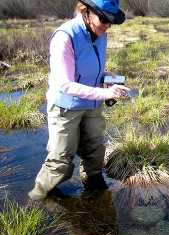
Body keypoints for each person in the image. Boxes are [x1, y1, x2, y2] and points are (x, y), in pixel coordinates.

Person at [29, 0, 130, 201]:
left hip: (92, 104)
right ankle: (36, 198)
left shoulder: (101, 33)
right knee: (61, 159)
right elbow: (66, 84)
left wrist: (105, 77)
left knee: (94, 148)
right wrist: (106, 94)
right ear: (87, 12)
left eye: (112, 21)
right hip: (66, 106)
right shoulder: (64, 37)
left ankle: (93, 190)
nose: (108, 25)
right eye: (104, 19)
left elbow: (89, 68)